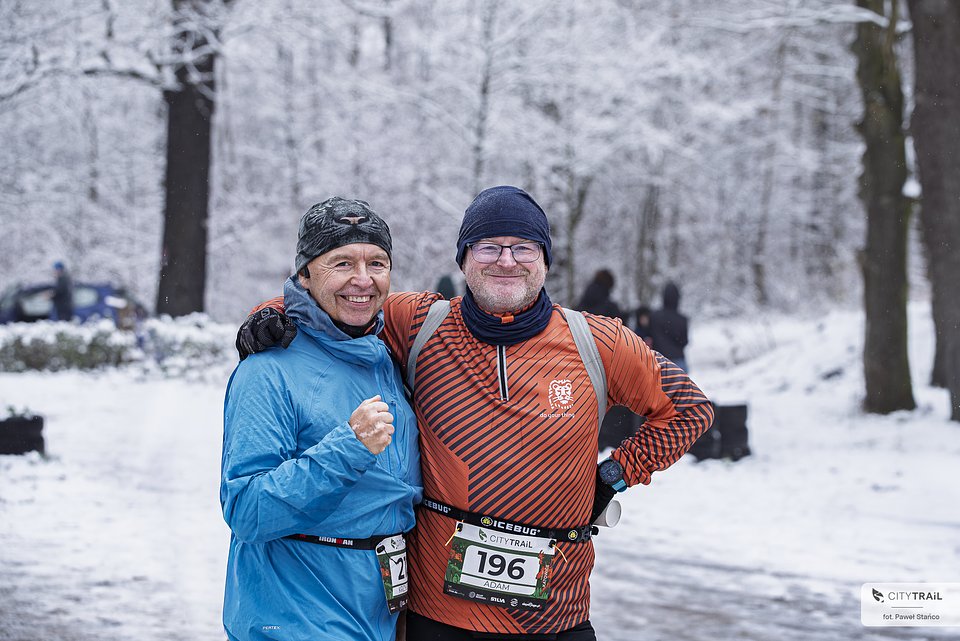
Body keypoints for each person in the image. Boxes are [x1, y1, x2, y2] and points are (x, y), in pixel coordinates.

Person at [237, 185, 714, 640]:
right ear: (464, 258)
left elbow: (690, 411)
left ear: (545, 260)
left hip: (554, 615)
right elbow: (343, 300)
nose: (507, 261)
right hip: (437, 614)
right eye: (488, 246)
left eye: (524, 247)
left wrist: (612, 475)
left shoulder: (598, 341)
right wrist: (267, 314)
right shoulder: (419, 323)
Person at [221, 197, 423, 641]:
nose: (363, 279)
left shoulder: (385, 355)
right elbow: (248, 510)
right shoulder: (266, 371)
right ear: (305, 274)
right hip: (295, 619)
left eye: (377, 262)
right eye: (342, 262)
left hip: (377, 615)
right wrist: (347, 448)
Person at [648, 282, 689, 372]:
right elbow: (684, 341)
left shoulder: (654, 316)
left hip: (659, 360)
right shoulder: (682, 319)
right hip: (678, 361)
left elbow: (649, 336)